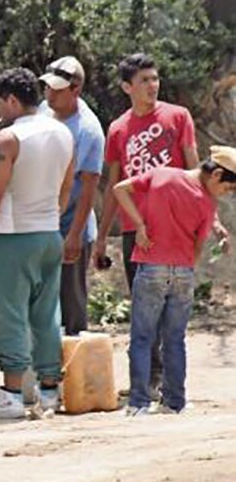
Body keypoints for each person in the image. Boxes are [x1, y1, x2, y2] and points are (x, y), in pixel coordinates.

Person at [92, 53, 229, 396]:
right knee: (143, 304)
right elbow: (114, 184)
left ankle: (169, 380)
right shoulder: (118, 129)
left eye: (155, 79)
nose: (152, 86)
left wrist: (212, 219)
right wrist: (99, 238)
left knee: (172, 304)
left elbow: (198, 170)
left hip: (177, 225)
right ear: (127, 87)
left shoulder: (178, 117)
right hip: (135, 227)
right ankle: (150, 378)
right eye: (144, 81)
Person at [0, 68, 74, 419]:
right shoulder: (63, 133)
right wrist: (50, 219)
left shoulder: (8, 140)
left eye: (1, 103)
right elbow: (66, 188)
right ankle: (48, 392)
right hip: (49, 234)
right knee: (46, 315)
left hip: (14, 237)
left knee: (7, 314)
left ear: (12, 100)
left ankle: (11, 394)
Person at [113, 146, 236, 416]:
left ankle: (139, 403)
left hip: (150, 266)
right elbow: (198, 245)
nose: (225, 194)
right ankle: (174, 402)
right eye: (227, 188)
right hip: (182, 271)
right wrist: (187, 266)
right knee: (175, 339)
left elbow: (119, 188)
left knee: (143, 337)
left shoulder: (161, 175)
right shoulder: (206, 202)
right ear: (216, 175)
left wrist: (140, 226)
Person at [38, 56, 105, 335]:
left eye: (57, 89)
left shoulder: (88, 131)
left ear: (75, 90)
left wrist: (74, 235)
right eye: (47, 87)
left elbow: (89, 188)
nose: (49, 94)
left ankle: (74, 365)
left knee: (70, 300)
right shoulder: (43, 111)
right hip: (41, 222)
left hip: (69, 224)